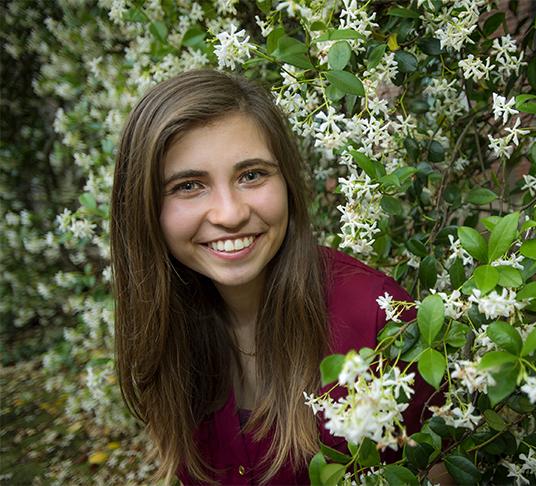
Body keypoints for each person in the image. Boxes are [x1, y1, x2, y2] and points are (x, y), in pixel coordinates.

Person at [110, 69, 432, 485]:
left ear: (287, 182)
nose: (230, 214)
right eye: (189, 186)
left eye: (251, 175)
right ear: (145, 208)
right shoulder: (169, 325)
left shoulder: (377, 317)